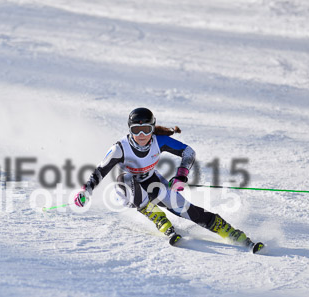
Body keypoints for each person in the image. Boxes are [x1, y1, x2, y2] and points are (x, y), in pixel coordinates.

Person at [74, 107, 264, 253]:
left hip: (152, 182)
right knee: (128, 178)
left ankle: (231, 233)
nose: (141, 135)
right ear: (129, 130)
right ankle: (158, 218)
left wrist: (181, 175)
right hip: (127, 190)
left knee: (186, 209)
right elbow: (100, 171)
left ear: (152, 128)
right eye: (136, 130)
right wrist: (86, 191)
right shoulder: (120, 148)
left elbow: (188, 152)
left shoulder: (159, 141)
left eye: (146, 129)